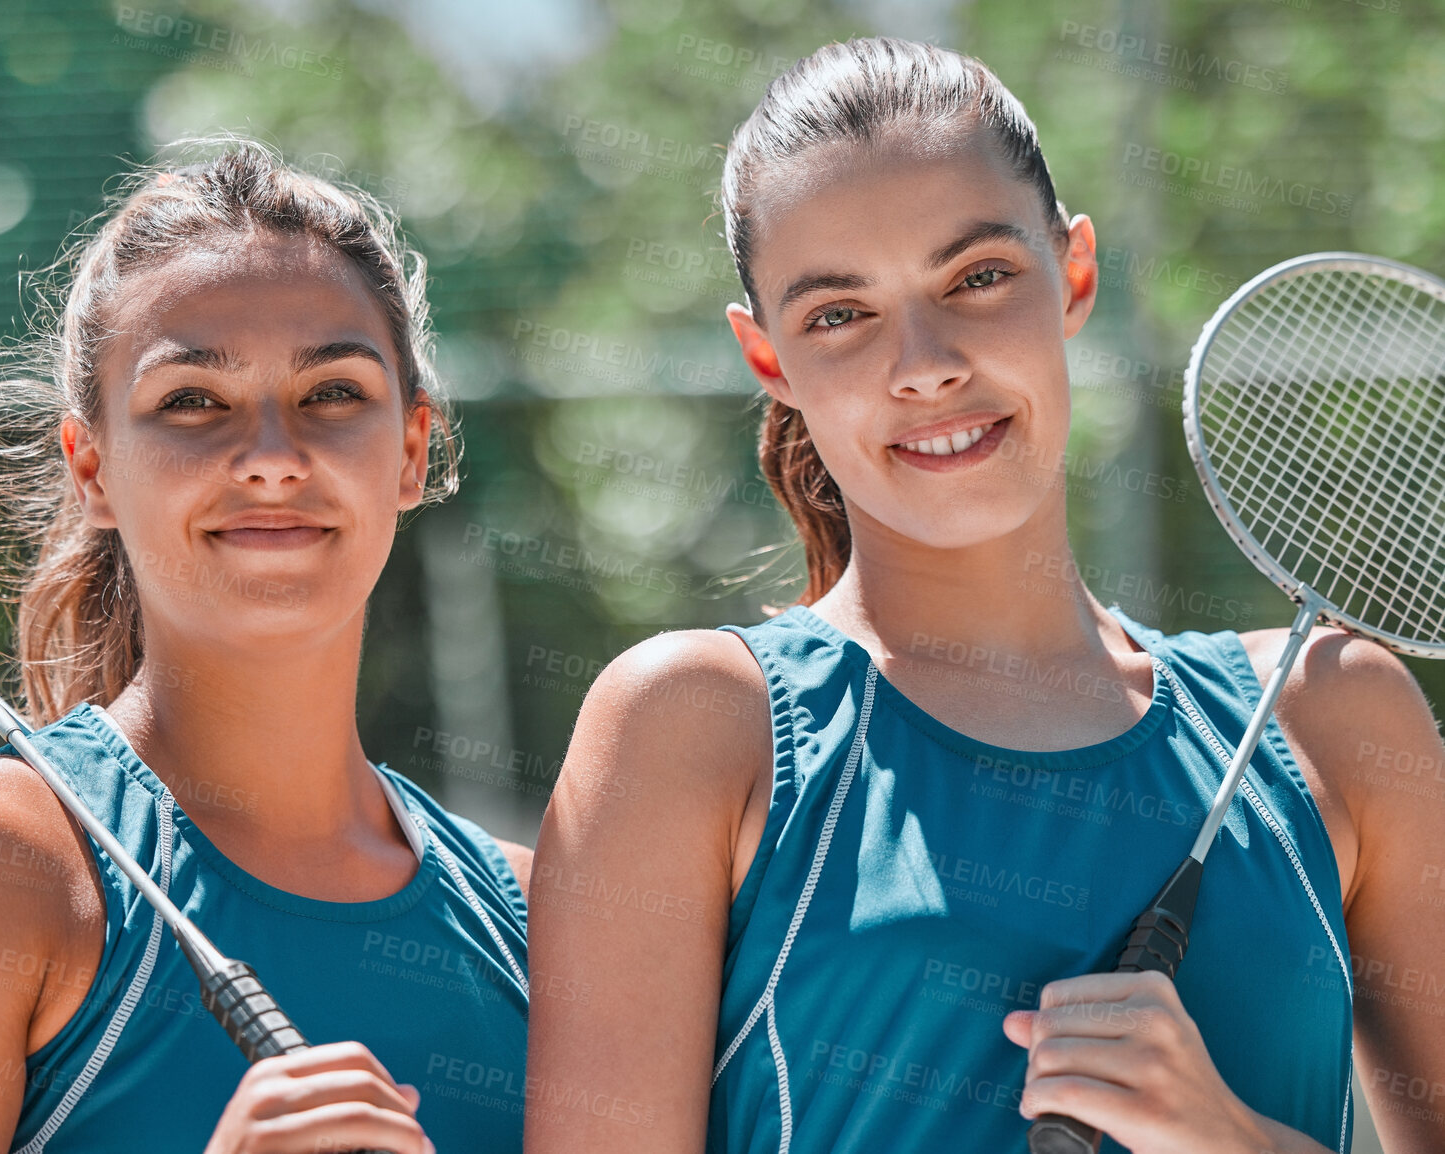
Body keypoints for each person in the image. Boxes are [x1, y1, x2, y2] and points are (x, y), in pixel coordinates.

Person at [525, 37, 1445, 1154]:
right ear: (767, 359)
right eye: (838, 315)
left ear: (1076, 275)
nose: (925, 363)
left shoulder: (1336, 717)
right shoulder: (691, 726)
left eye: (978, 278)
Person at [0, 138, 531, 1154]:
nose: (269, 456)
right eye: (191, 402)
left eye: (333, 393)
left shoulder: (536, 914)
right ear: (90, 465)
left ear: (410, 448)